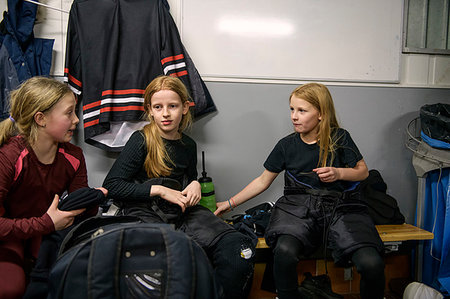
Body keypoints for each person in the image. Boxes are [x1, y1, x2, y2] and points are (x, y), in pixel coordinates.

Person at [215, 83, 385, 299]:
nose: (294, 116)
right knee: (284, 251)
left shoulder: (340, 138)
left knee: (371, 263)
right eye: (292, 109)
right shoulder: (286, 145)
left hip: (341, 209)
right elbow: (262, 181)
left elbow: (362, 172)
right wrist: (228, 204)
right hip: (298, 209)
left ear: (321, 114)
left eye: (302, 110)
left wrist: (338, 173)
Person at [103, 75, 255, 299]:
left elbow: (189, 178)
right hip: (145, 212)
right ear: (150, 110)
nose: (165, 113)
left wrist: (194, 183)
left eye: (172, 106)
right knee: (174, 253)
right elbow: (112, 186)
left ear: (184, 108)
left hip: (181, 211)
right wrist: (159, 190)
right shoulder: (140, 140)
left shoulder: (188, 145)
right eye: (158, 107)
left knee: (238, 247)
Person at [0, 76, 107, 299]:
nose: (77, 120)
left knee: (72, 281)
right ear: (41, 118)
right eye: (69, 113)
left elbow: (81, 212)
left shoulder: (74, 156)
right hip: (9, 237)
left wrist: (92, 200)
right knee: (9, 288)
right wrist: (46, 223)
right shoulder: (9, 156)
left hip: (47, 234)